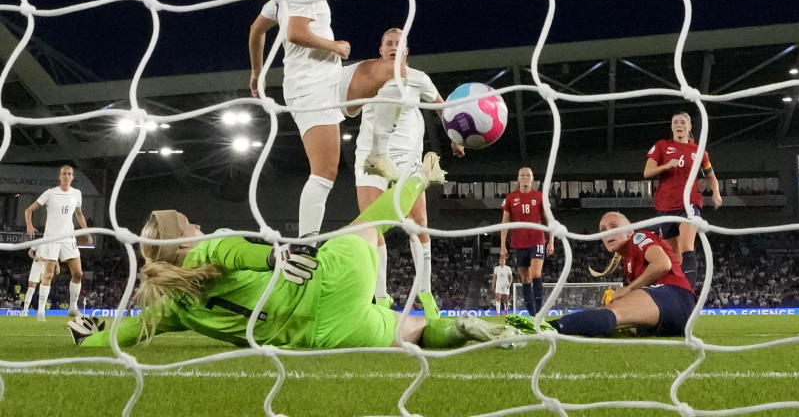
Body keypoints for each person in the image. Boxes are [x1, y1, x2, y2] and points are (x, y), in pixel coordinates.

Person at [68, 153, 522, 351]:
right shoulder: (211, 246)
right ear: (182, 242)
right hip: (327, 282)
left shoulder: (170, 305)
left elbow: (128, 334)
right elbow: (237, 251)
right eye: (191, 225)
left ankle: (457, 331)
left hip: (321, 339)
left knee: (418, 333)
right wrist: (273, 257)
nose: (199, 226)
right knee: (365, 226)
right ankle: (418, 177)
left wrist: (87, 337)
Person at [247, 0, 406, 236]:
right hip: (311, 88)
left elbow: (255, 30)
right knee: (325, 171)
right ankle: (304, 245)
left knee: (392, 70)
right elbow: (295, 33)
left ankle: (378, 150)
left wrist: (256, 72)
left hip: (328, 78)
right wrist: (334, 45)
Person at [355, 28, 464, 311]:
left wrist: (454, 138)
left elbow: (442, 107)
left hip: (408, 160)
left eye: (399, 44)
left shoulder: (419, 79)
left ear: (406, 51)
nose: (393, 47)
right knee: (370, 227)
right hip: (371, 158)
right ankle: (379, 297)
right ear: (380, 50)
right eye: (388, 43)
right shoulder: (365, 77)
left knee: (418, 225)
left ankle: (425, 294)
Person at [508, 211, 695, 338]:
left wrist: (629, 289)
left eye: (614, 226)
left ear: (629, 231)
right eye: (603, 230)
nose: (608, 232)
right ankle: (551, 328)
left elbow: (663, 264)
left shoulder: (640, 237)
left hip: (675, 296)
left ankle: (547, 328)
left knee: (613, 313)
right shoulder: (628, 261)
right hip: (672, 318)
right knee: (610, 317)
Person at [643, 112, 722, 289]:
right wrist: (666, 165)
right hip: (665, 206)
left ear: (689, 127)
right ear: (671, 127)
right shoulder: (662, 146)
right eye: (676, 122)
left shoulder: (699, 151)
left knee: (687, 246)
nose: (679, 125)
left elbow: (711, 176)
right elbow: (647, 173)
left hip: (689, 203)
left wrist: (716, 193)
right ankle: (678, 289)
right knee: (674, 256)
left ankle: (689, 291)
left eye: (683, 122)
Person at [24, 165, 91, 321]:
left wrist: (86, 231)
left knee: (78, 273)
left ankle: (73, 307)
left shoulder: (77, 193)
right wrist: (29, 224)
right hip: (51, 239)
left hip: (69, 238)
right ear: (59, 176)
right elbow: (28, 210)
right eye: (64, 174)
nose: (67, 176)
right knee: (48, 275)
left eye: (69, 174)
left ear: (72, 177)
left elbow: (79, 214)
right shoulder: (51, 193)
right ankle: (41, 312)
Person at [500, 167, 554, 315]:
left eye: (527, 175)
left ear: (532, 178)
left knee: (536, 274)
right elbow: (504, 224)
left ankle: (539, 311)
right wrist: (503, 245)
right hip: (519, 242)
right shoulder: (511, 198)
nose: (525, 177)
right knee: (525, 278)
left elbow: (549, 220)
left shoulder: (539, 197)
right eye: (522, 175)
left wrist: (551, 241)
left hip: (537, 239)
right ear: (518, 178)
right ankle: (532, 314)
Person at [22, 248, 60, 315]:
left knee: (44, 289)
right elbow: (30, 252)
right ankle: (24, 312)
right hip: (36, 266)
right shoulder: (39, 242)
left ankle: (41, 311)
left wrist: (57, 266)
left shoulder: (52, 244)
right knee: (31, 289)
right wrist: (34, 257)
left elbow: (54, 256)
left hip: (46, 267)